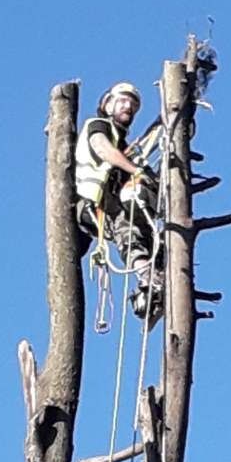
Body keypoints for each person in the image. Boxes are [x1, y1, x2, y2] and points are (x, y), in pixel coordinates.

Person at [74, 82, 161, 319]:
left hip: (112, 202)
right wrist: (135, 171)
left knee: (157, 244)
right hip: (95, 204)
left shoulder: (123, 145)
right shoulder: (98, 126)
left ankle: (152, 290)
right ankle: (148, 279)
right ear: (107, 104)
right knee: (128, 229)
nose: (129, 107)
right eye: (123, 101)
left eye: (133, 105)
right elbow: (104, 151)